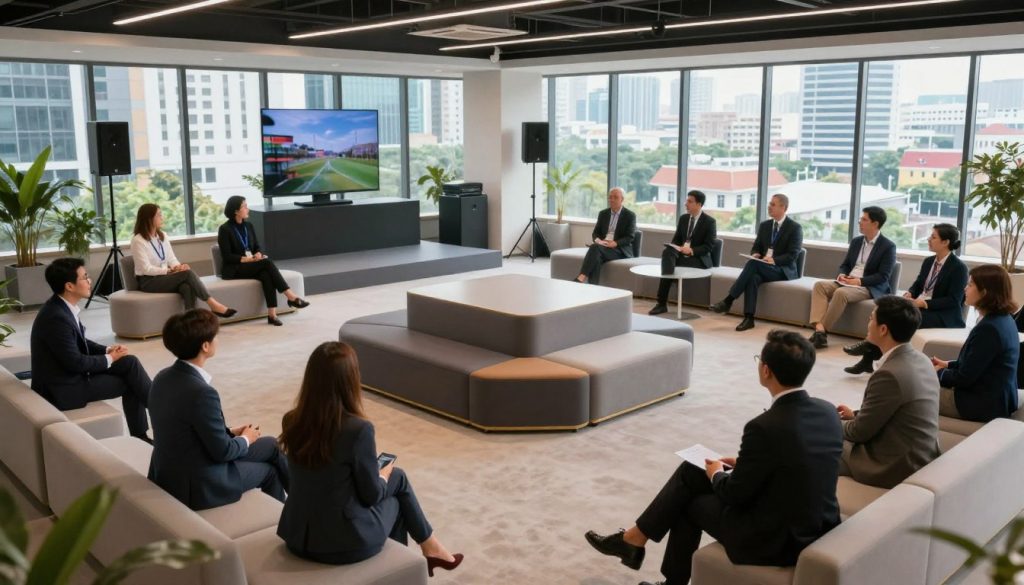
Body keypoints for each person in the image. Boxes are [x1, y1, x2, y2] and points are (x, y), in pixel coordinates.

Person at [584, 330, 841, 585]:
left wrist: (716, 473)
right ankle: (634, 540)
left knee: (687, 502)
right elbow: (798, 459)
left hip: (776, 539)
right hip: (815, 523)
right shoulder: (827, 411)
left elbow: (734, 494)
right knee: (691, 470)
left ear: (766, 370)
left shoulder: (764, 426)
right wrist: (743, 465)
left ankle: (644, 553)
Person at [278, 341, 463, 575]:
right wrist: (382, 476)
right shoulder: (358, 430)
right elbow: (371, 495)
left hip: (297, 537)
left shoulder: (291, 419)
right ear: (350, 380)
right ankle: (421, 556)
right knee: (396, 487)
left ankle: (429, 550)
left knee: (395, 482)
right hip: (341, 545)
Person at [148, 309, 290, 510]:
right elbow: (223, 452)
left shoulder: (162, 377)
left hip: (171, 471)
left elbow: (187, 428)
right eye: (215, 337)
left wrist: (230, 432)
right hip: (199, 483)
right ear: (205, 346)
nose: (218, 340)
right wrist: (246, 438)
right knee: (269, 471)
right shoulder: (202, 393)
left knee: (272, 445)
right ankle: (286, 518)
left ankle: (303, 500)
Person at [30, 258, 152, 441]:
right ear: (69, 286)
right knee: (131, 383)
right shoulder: (56, 318)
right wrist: (110, 358)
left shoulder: (60, 307)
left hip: (68, 378)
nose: (90, 281)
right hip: (64, 389)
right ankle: (159, 419)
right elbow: (75, 362)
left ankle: (154, 418)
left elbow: (79, 341)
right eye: (85, 277)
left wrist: (107, 349)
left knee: (129, 362)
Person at [836, 296, 939, 489]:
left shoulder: (889, 374)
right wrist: (855, 415)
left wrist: (828, 421)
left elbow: (859, 432)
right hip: (919, 453)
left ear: (883, 329)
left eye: (871, 319)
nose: (868, 323)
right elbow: (893, 410)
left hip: (893, 464)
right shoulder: (921, 358)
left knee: (813, 439)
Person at [844, 223, 968, 374]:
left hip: (943, 314)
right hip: (918, 304)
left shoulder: (959, 268)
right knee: (887, 309)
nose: (929, 239)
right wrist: (910, 293)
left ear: (945, 242)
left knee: (901, 318)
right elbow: (918, 284)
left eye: (933, 237)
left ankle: (869, 350)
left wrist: (923, 303)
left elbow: (953, 300)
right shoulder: (929, 261)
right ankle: (868, 357)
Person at [932, 265, 1020, 423]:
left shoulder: (989, 329)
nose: (965, 288)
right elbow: (979, 364)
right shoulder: (1005, 319)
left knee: (912, 391)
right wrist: (947, 364)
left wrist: (935, 373)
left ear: (985, 293)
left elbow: (964, 378)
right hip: (995, 397)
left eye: (970, 285)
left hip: (980, 404)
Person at [711, 194, 803, 331]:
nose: (769, 207)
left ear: (783, 207)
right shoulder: (765, 226)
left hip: (782, 269)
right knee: (753, 277)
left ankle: (729, 300)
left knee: (753, 265)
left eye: (773, 204)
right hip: (764, 266)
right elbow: (757, 245)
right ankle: (749, 318)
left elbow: (793, 255)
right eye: (769, 204)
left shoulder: (795, 227)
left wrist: (774, 260)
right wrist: (755, 253)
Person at [807, 206, 896, 349]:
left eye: (864, 220)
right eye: (860, 219)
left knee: (840, 293)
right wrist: (842, 274)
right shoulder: (856, 241)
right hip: (848, 281)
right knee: (820, 286)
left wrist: (859, 281)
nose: (860, 222)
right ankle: (819, 330)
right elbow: (846, 265)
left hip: (867, 286)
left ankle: (821, 332)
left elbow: (883, 276)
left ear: (875, 224)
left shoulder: (888, 246)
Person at [130, 203, 236, 317]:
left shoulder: (162, 236)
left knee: (186, 286)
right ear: (148, 218)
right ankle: (213, 304)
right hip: (148, 281)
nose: (162, 218)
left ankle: (191, 321)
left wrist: (177, 267)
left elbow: (171, 258)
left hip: (164, 277)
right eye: (159, 215)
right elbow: (146, 269)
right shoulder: (138, 240)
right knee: (187, 274)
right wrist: (169, 271)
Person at [218, 196, 309, 326]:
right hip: (234, 268)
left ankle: (272, 314)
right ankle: (290, 296)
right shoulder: (225, 229)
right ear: (236, 211)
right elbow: (227, 256)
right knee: (267, 263)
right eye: (244, 206)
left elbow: (256, 246)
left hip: (251, 264)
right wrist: (247, 259)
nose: (247, 208)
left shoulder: (248, 226)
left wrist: (258, 254)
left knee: (266, 274)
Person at [649, 190, 717, 316]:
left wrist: (691, 250)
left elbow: (709, 247)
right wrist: (677, 247)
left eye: (690, 202)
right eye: (687, 201)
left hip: (697, 259)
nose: (686, 204)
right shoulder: (683, 219)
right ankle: (662, 303)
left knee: (668, 264)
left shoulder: (709, 222)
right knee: (667, 253)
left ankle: (661, 302)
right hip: (680, 254)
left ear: (699, 204)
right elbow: (676, 240)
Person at [576, 187, 637, 285]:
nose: (612, 200)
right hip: (603, 247)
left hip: (619, 250)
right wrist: (598, 240)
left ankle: (581, 277)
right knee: (597, 256)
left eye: (615, 197)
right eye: (610, 197)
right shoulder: (603, 213)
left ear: (622, 199)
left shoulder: (630, 215)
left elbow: (630, 237)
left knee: (595, 248)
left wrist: (615, 243)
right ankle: (593, 288)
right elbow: (595, 233)